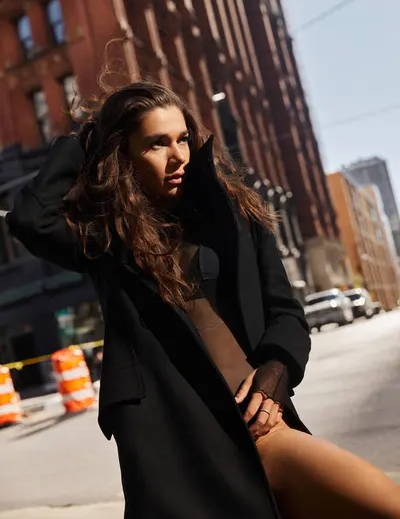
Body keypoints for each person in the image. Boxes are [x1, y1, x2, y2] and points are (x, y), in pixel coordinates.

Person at [7, 81, 400, 519]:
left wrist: (278, 368)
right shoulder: (108, 239)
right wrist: (87, 139)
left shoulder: (236, 214)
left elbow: (285, 312)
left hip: (258, 424)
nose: (177, 156)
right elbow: (31, 219)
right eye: (157, 144)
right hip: (177, 442)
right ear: (124, 155)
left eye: (182, 140)